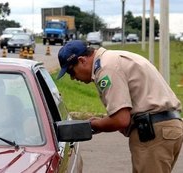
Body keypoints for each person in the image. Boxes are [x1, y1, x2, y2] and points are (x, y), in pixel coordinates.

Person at [56, 40, 183, 173]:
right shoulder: (112, 58)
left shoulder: (106, 68)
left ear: (82, 60)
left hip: (152, 133)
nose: (72, 78)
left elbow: (121, 120)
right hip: (166, 128)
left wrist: (93, 124)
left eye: (71, 72)